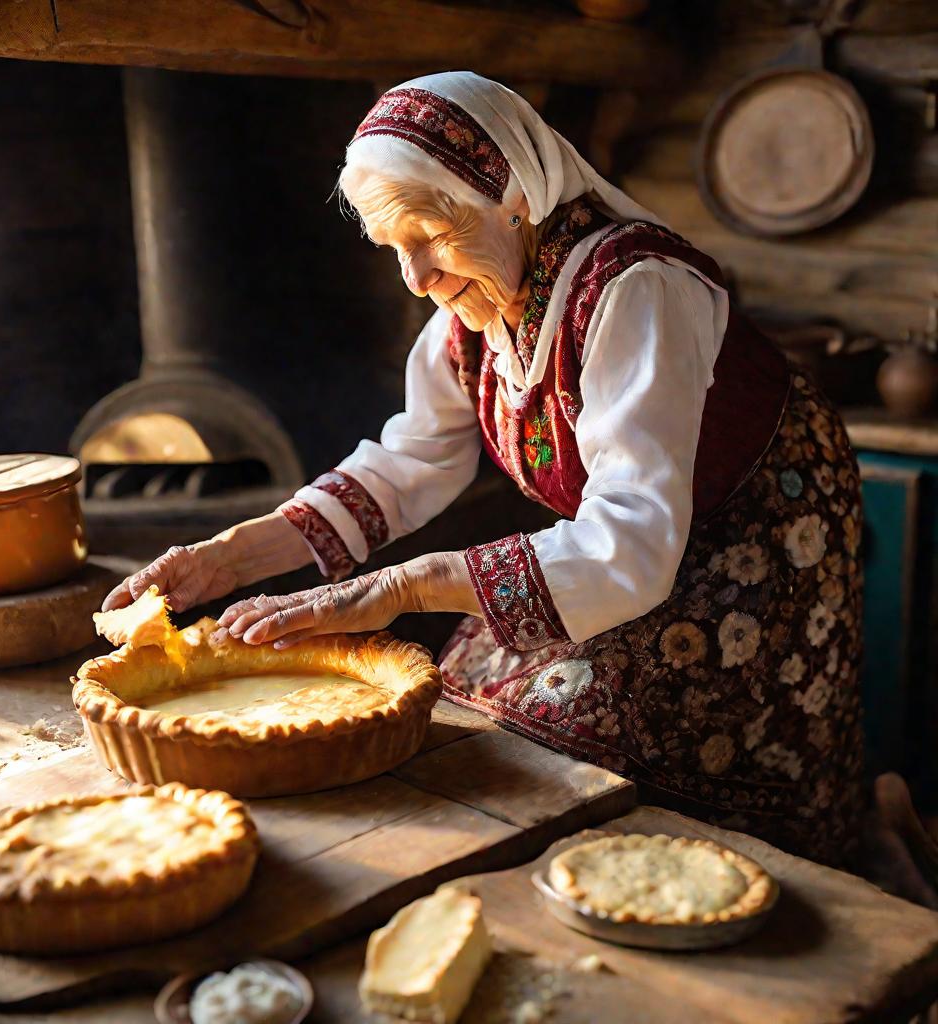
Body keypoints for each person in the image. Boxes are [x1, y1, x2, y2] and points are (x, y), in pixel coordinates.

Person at [103, 72, 864, 865]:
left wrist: (398, 586)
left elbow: (633, 541)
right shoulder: (466, 321)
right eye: (393, 249)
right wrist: (223, 559)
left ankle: (773, 874)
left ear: (515, 195)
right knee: (464, 699)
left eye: (429, 233)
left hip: (758, 533)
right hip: (629, 546)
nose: (417, 278)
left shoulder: (634, 291)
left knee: (572, 739)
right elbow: (406, 466)